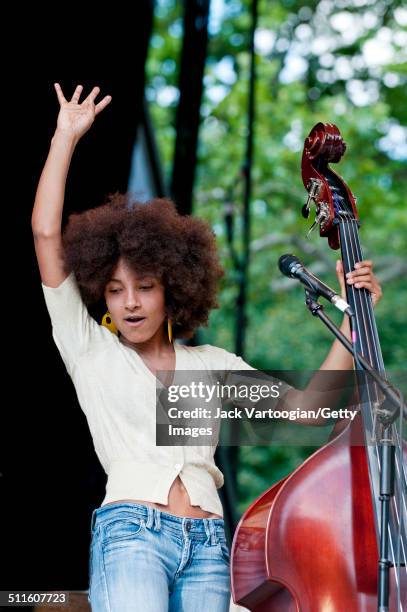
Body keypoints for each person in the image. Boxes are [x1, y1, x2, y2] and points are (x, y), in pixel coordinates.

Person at [31, 84, 382, 612]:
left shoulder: (212, 366)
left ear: (173, 288)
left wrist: (355, 325)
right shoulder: (92, 352)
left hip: (209, 545)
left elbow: (311, 411)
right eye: (115, 290)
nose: (129, 304)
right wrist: (64, 137)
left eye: (145, 287)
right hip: (132, 533)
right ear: (100, 293)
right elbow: (45, 236)